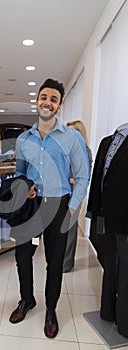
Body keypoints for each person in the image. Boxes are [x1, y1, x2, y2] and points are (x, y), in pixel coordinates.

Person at [9, 78, 90, 338]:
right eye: (44, 97)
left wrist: (72, 208)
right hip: (31, 207)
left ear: (59, 105)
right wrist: (25, 188)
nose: (47, 102)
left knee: (54, 263)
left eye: (53, 99)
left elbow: (83, 176)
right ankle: (26, 300)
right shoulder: (24, 139)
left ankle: (51, 309)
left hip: (59, 207)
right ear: (37, 101)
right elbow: (19, 173)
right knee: (23, 257)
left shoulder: (72, 138)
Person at [86, 123, 128, 338]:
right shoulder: (106, 141)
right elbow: (98, 179)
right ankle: (107, 311)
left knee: (126, 271)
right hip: (105, 213)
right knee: (110, 264)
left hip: (125, 217)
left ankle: (124, 323)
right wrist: (93, 209)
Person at [63, 120, 93, 272]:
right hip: (63, 192)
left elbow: (84, 176)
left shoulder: (85, 151)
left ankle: (66, 264)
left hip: (75, 192)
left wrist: (71, 179)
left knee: (70, 226)